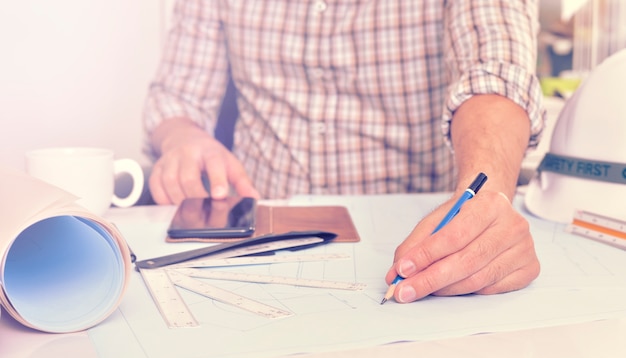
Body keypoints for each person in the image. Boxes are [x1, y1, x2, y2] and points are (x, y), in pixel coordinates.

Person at [143, 0, 546, 303]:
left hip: (416, 233)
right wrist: (183, 138)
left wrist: (483, 206)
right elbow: (176, 97)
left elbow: (497, 72)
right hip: (258, 239)